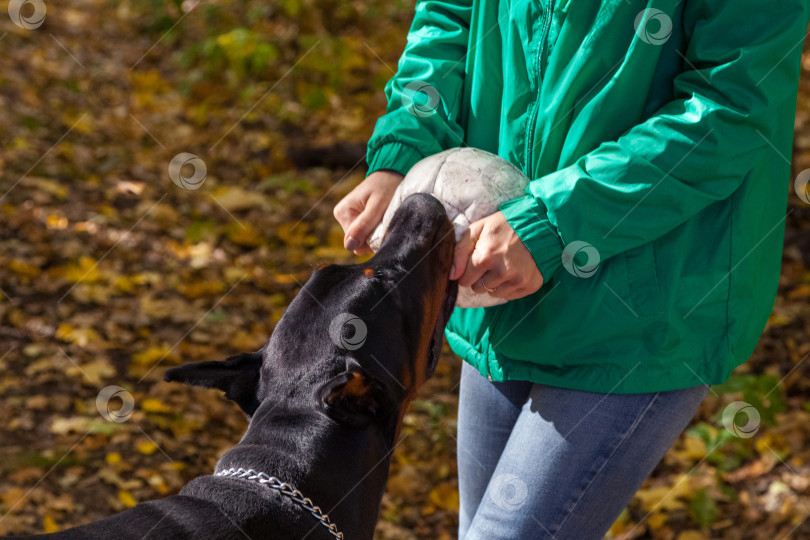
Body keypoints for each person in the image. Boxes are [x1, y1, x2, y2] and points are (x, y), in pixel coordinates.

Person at [334, 1, 810, 538]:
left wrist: (551, 222)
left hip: (642, 309)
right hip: (495, 282)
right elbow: (449, 19)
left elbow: (730, 109)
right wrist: (402, 151)